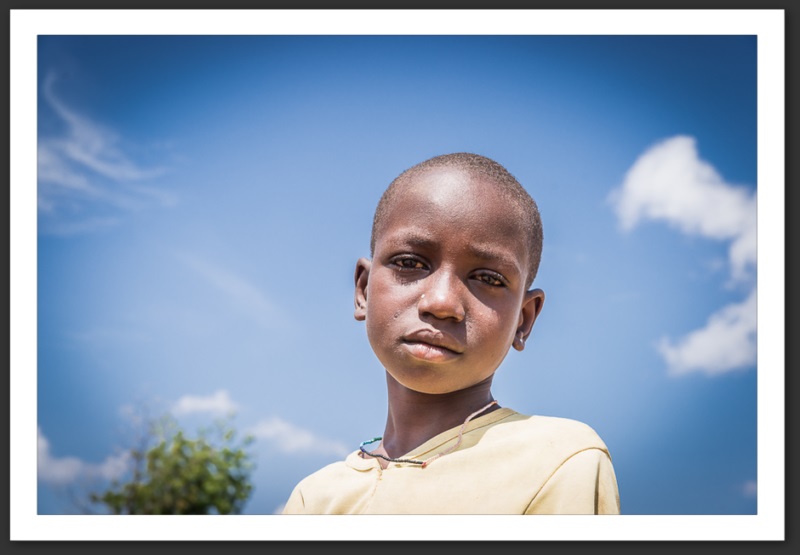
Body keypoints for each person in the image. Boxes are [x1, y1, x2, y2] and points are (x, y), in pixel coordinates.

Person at [282, 152, 620, 515]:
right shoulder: (315, 498)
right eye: (409, 263)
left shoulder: (558, 460)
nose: (442, 302)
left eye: (488, 279)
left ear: (524, 320)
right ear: (363, 290)